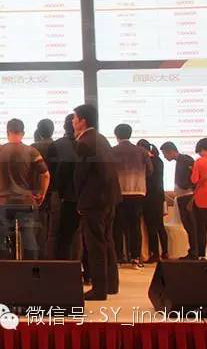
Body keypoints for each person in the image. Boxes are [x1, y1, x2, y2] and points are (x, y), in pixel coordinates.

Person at [72, 104, 120, 301]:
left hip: (93, 200)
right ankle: (111, 284)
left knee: (95, 244)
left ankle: (99, 289)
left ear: (83, 121)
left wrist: (79, 200)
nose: (73, 121)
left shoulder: (84, 142)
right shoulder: (101, 138)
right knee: (107, 240)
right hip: (109, 197)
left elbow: (80, 175)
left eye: (75, 118)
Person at [0, 119, 50, 261]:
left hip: (4, 202)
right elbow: (46, 175)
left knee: (3, 240)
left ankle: (8, 270)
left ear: (7, 132)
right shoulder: (31, 152)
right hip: (26, 202)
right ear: (23, 133)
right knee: (29, 239)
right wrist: (42, 194)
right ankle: (30, 270)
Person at [112, 124, 152, 268]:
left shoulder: (112, 151)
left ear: (116, 135)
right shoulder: (142, 151)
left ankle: (118, 258)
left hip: (119, 192)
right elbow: (150, 170)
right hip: (137, 192)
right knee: (135, 226)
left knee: (117, 226)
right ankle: (135, 258)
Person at [49, 114, 80, 261]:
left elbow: (52, 173)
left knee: (60, 234)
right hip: (84, 196)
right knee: (83, 236)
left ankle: (62, 267)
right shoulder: (87, 144)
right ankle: (83, 268)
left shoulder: (56, 145)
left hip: (62, 196)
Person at [160, 141, 198, 260]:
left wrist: (187, 186)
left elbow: (194, 177)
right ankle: (193, 251)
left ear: (170, 151)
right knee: (187, 226)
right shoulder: (180, 160)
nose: (165, 157)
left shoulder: (186, 160)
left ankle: (194, 252)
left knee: (190, 226)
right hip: (182, 196)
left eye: (165, 154)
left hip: (187, 196)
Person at [137, 140, 168, 263]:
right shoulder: (158, 160)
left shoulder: (148, 161)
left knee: (151, 228)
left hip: (149, 198)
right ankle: (165, 252)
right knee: (160, 226)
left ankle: (154, 254)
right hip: (159, 197)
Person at [31, 118, 56, 259]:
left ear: (39, 131)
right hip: (56, 191)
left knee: (39, 227)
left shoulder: (33, 147)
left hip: (38, 191)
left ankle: (39, 257)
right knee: (54, 227)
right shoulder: (58, 146)